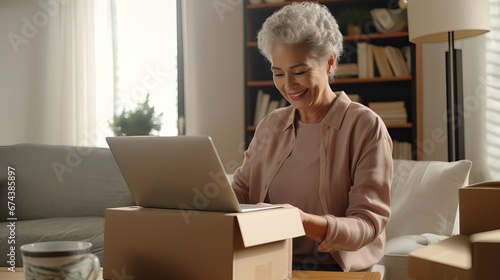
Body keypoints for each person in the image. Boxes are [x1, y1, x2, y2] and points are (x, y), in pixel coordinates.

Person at [231, 2, 393, 272]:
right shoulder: (271, 124)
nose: (288, 85)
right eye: (278, 73)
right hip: (268, 263)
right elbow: (241, 192)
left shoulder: (365, 126)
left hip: (333, 268)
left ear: (329, 62)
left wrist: (302, 222)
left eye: (299, 72)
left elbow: (368, 223)